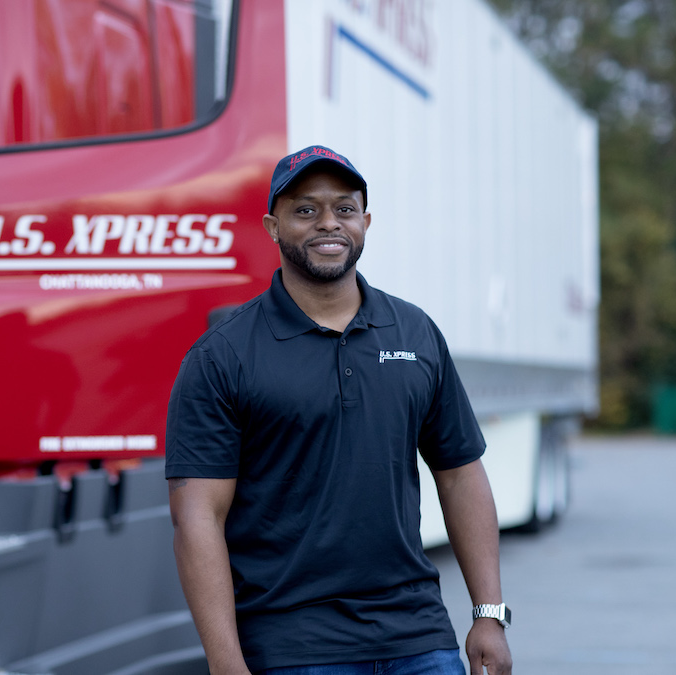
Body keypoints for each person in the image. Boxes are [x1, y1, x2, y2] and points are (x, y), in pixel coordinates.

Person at [165, 146, 513, 675]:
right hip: (291, 647)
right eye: (305, 210)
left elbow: (460, 474)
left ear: (366, 221)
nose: (329, 223)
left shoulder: (414, 333)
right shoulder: (223, 356)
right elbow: (198, 516)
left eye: (344, 209)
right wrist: (225, 662)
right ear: (272, 226)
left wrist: (488, 614)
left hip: (418, 637)